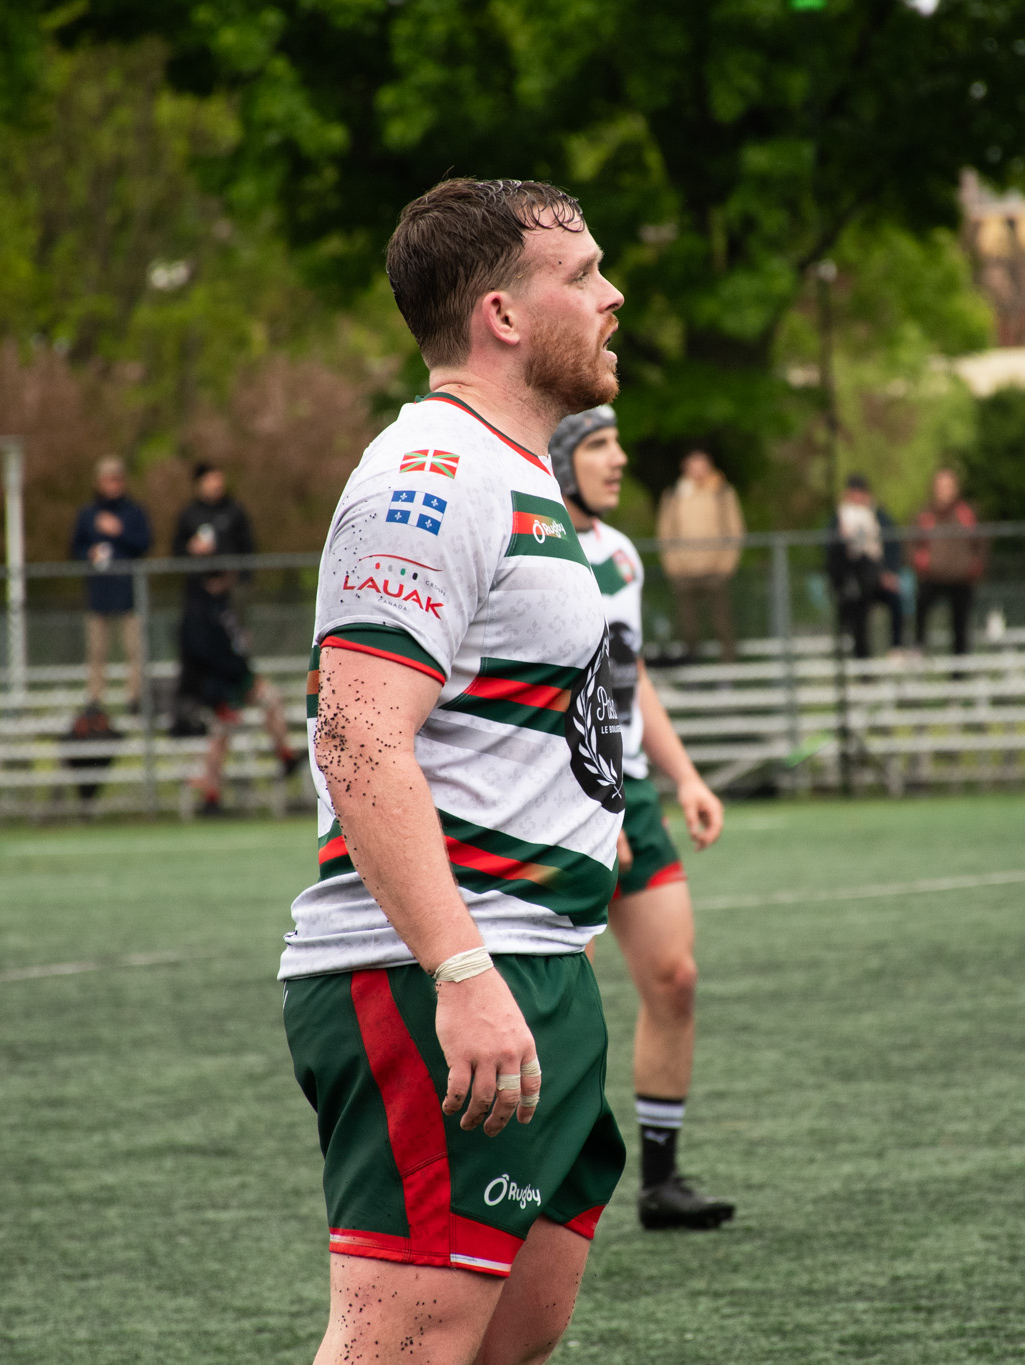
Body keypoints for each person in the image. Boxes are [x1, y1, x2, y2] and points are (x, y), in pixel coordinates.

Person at [280, 177, 628, 1365]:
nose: (610, 296)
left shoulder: (515, 470)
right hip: (439, 970)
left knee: (502, 1344)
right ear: (502, 315)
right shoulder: (428, 474)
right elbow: (356, 733)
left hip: (537, 962)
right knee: (406, 1348)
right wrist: (459, 964)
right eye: (581, 276)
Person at [549, 405, 736, 1231]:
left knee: (676, 978)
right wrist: (592, 802)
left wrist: (685, 775)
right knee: (552, 1001)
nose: (619, 458)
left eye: (619, 440)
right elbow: (544, 691)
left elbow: (629, 676)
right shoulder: (534, 547)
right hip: (558, 803)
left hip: (632, 795)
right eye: (598, 445)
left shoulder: (622, 553)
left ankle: (661, 1181)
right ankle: (532, 1187)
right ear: (559, 462)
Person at [178, 568, 300, 815]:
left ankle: (285, 755)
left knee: (271, 698)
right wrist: (217, 695)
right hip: (216, 688)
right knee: (219, 737)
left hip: (236, 680)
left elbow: (234, 650)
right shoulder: (198, 612)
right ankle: (211, 798)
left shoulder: (223, 608)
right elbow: (202, 658)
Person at [69, 457, 154, 712]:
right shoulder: (88, 514)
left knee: (134, 649)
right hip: (98, 593)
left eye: (117, 479)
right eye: (108, 479)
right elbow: (75, 549)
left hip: (129, 592)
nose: (112, 485)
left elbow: (145, 543)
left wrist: (120, 531)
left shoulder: (134, 512)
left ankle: (134, 697)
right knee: (96, 651)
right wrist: (89, 554)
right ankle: (95, 700)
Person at [655, 449, 745, 663]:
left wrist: (726, 564)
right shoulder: (674, 494)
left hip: (716, 569)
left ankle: (727, 673)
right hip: (684, 571)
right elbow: (665, 533)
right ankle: (692, 673)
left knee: (722, 625)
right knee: (688, 628)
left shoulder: (722, 492)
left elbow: (735, 530)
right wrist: (673, 565)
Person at [825, 474, 905, 659]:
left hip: (877, 576)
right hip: (852, 580)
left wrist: (890, 573)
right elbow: (831, 553)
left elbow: (893, 546)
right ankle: (860, 663)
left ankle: (896, 648)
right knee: (856, 611)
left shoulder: (880, 517)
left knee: (895, 599)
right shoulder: (838, 519)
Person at [910, 468, 985, 655]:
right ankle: (919, 651)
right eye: (941, 487)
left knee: (960, 625)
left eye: (948, 486)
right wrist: (920, 562)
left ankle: (959, 673)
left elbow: (981, 543)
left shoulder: (966, 513)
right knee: (920, 607)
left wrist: (975, 566)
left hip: (961, 578)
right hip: (933, 576)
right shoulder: (924, 514)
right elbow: (911, 544)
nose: (944, 491)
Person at [172, 461, 256, 594]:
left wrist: (233, 580)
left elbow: (247, 547)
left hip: (230, 588)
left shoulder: (234, 510)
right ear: (200, 483)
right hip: (197, 590)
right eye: (211, 480)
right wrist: (191, 547)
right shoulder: (190, 513)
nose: (217, 484)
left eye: (219, 479)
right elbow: (177, 548)